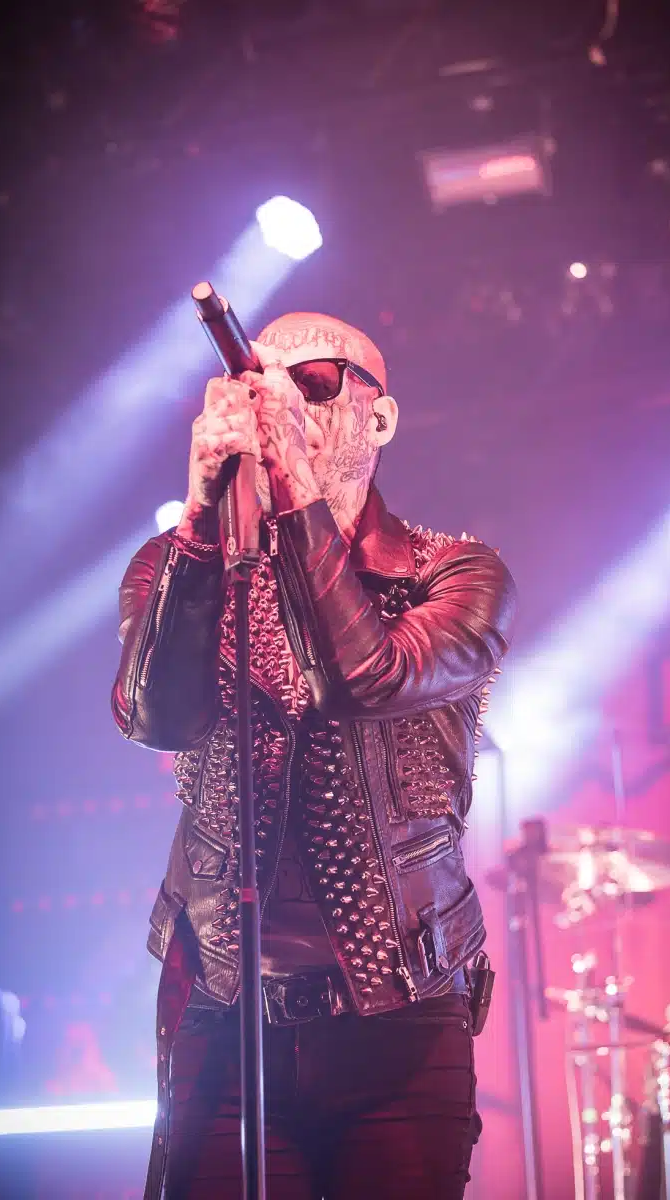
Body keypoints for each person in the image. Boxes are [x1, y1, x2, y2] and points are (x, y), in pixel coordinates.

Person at [112, 311, 516, 1199]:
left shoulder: (454, 574)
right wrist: (199, 514)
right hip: (224, 1008)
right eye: (260, 385)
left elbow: (365, 677)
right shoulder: (180, 564)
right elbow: (151, 717)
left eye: (316, 382)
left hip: (402, 1019)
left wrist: (295, 485)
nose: (284, 402)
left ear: (381, 417)